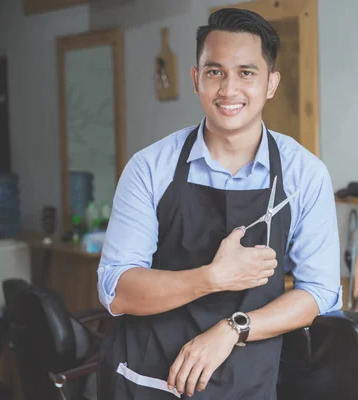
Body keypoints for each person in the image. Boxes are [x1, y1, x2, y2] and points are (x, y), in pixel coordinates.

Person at [96, 7, 342, 400]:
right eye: (215, 72)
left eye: (246, 72)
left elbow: (320, 293)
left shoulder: (304, 175)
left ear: (271, 83)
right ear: (196, 80)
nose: (229, 89)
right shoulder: (150, 168)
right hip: (148, 382)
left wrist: (233, 328)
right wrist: (213, 277)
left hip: (249, 383)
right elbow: (117, 290)